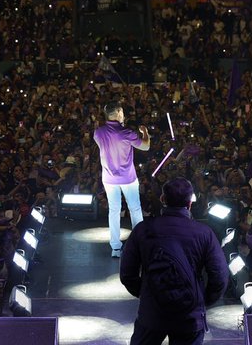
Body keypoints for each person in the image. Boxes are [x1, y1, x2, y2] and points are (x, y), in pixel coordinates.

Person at [119, 177, 228, 345]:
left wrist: (145, 293)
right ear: (190, 202)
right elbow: (219, 276)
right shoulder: (204, 233)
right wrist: (203, 300)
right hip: (189, 315)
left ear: (163, 199)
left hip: (152, 313)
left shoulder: (143, 229)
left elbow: (127, 273)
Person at [94, 100, 151, 257]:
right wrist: (145, 132)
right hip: (128, 178)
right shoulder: (127, 133)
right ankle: (139, 244)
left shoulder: (98, 132)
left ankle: (115, 248)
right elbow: (146, 146)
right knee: (135, 209)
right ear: (119, 113)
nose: (124, 116)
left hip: (109, 178)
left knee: (114, 210)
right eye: (123, 113)